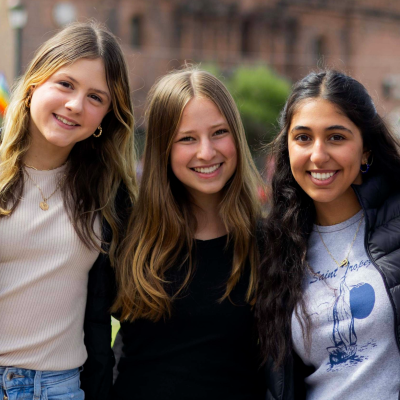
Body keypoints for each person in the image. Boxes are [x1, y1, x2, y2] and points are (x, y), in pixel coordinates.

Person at [0, 22, 136, 400]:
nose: (76, 105)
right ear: (33, 86)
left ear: (106, 116)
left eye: (96, 97)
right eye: (65, 84)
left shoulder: (109, 196)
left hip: (63, 388)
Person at [112, 68, 266, 399]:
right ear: (162, 148)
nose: (207, 152)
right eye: (187, 138)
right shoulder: (126, 238)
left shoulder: (267, 243)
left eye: (219, 132)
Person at [256, 69, 400, 400]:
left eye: (336, 137)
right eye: (303, 138)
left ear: (365, 149)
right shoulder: (275, 247)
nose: (318, 155)